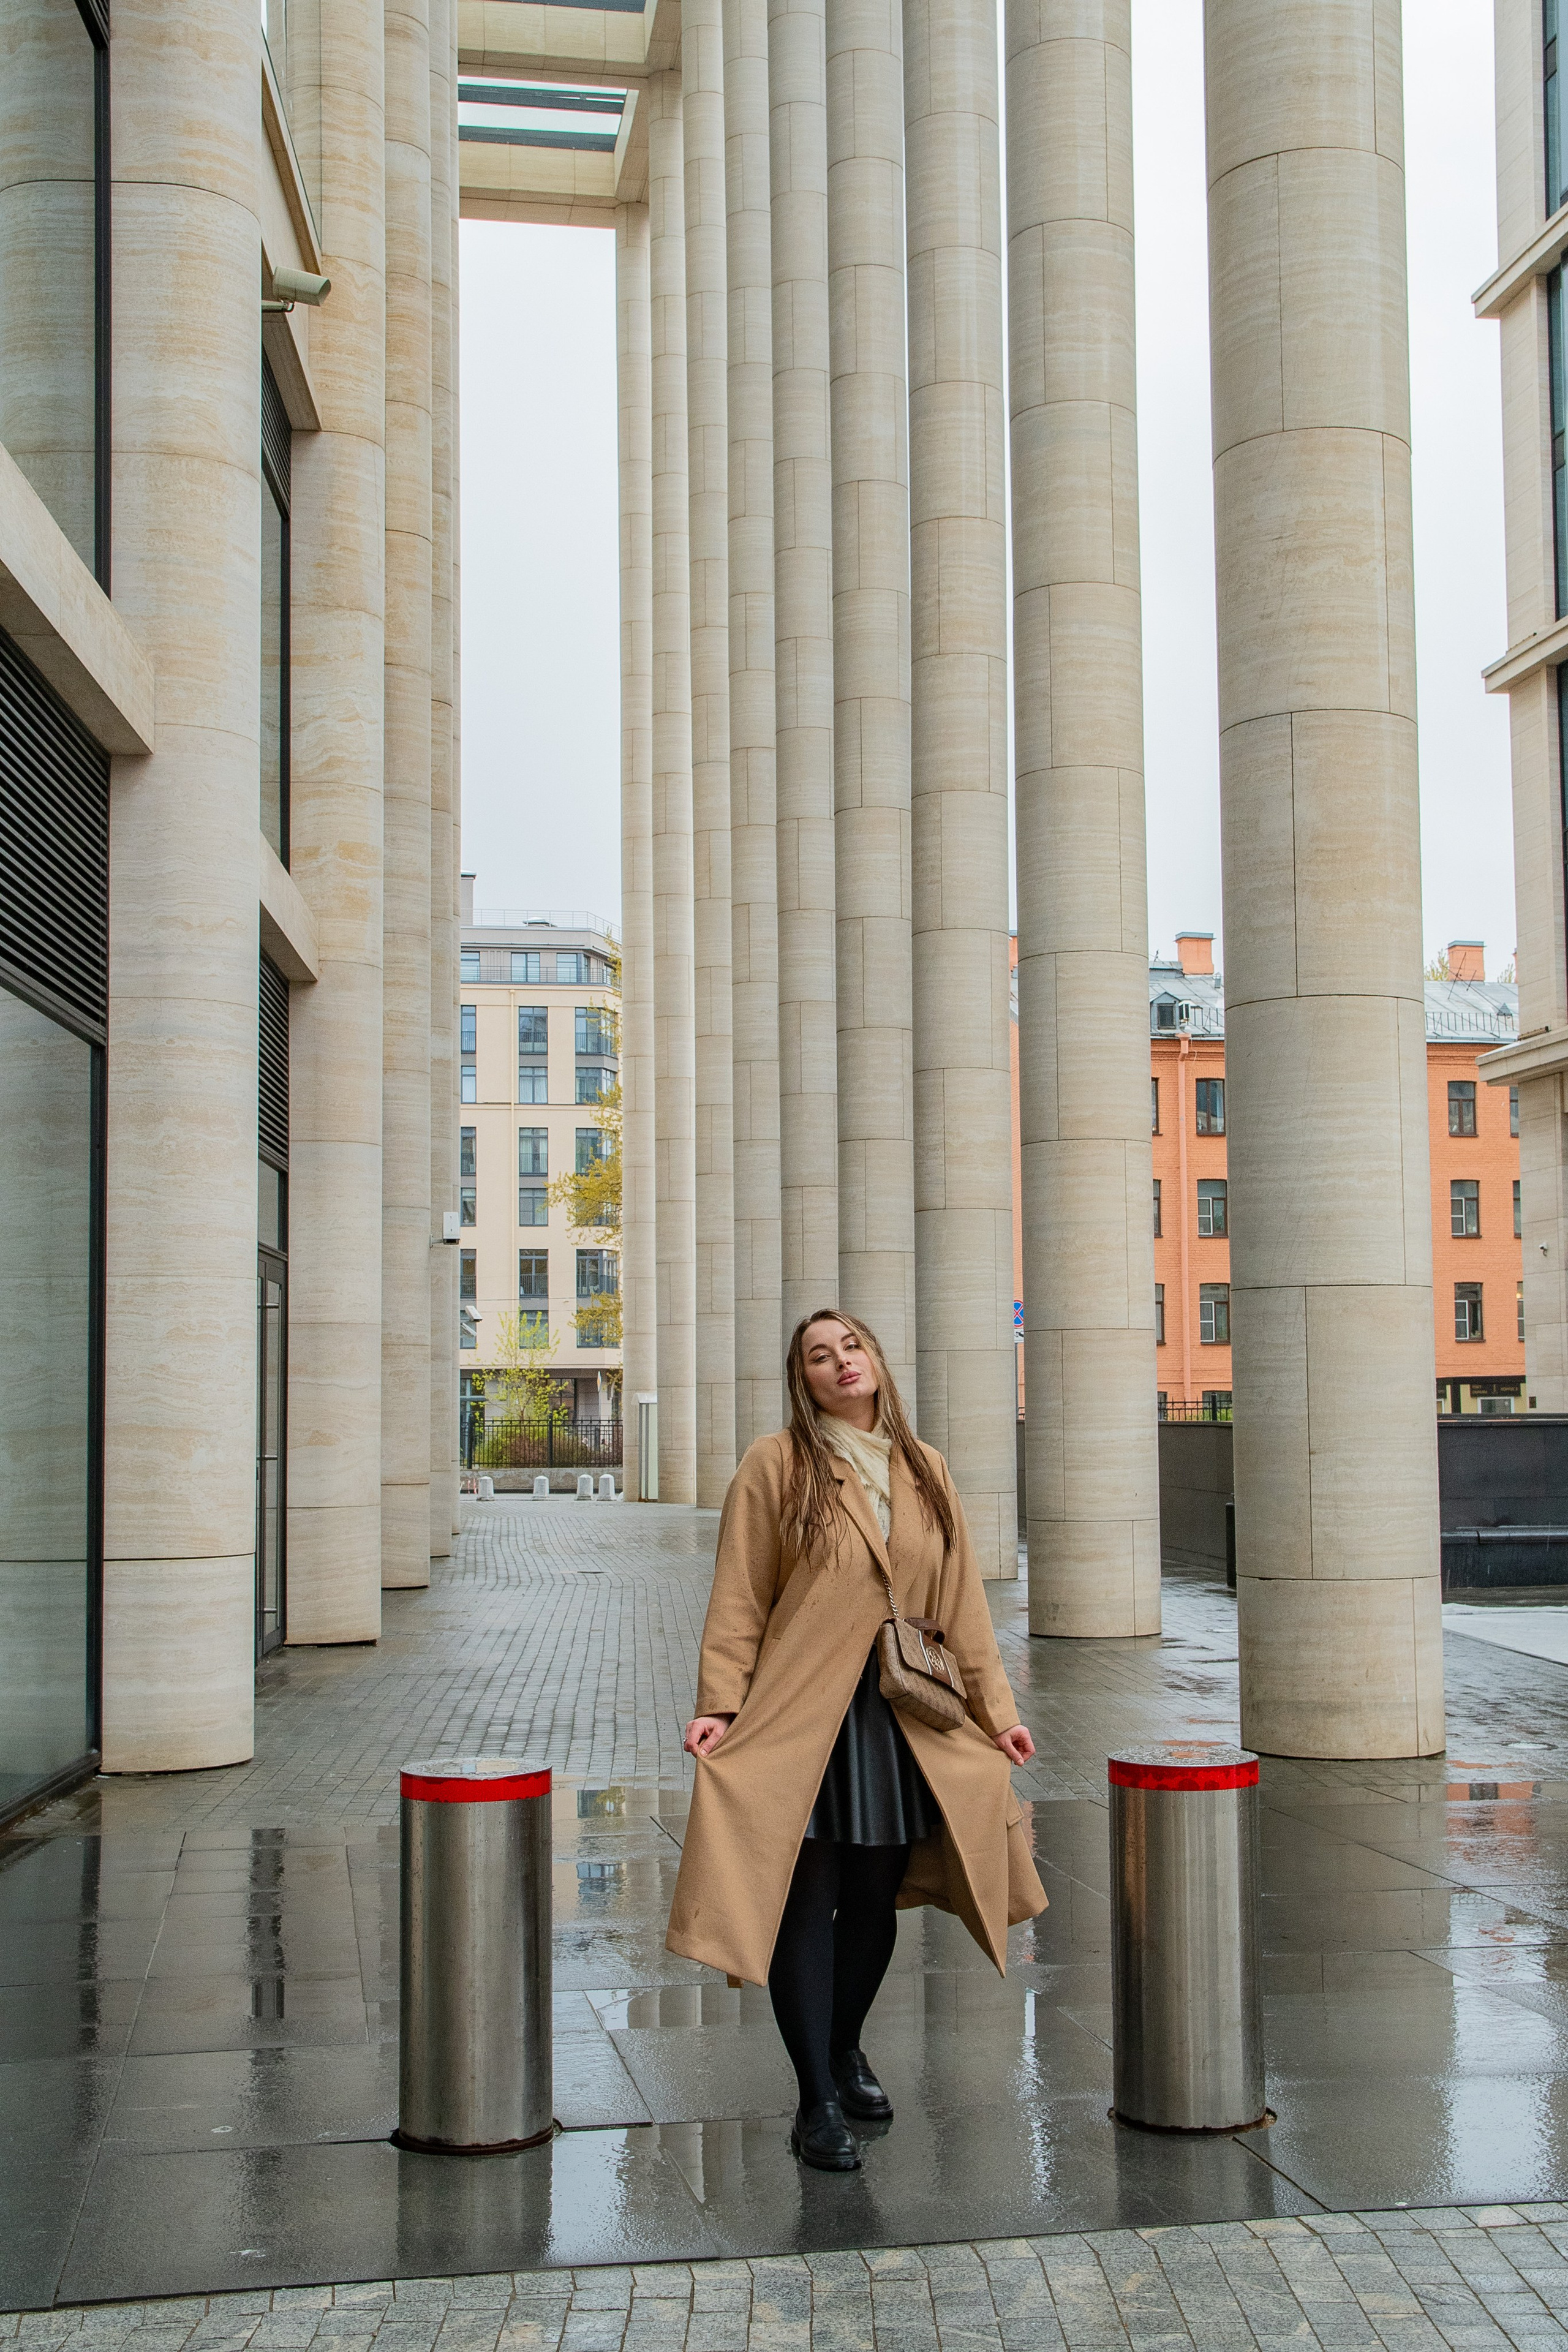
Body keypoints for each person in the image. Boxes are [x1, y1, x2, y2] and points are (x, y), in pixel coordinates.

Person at [666, 1310, 1047, 2173]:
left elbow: (962, 1607)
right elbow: (740, 1594)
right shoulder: (778, 1465)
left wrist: (1000, 1713)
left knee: (874, 1900)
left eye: (852, 1347)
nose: (841, 1363)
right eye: (819, 1356)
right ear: (802, 1379)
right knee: (807, 1898)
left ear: (875, 1359)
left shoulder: (925, 1469)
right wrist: (719, 1703)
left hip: (900, 1709)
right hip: (803, 1709)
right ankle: (815, 2099)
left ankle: (845, 2048)